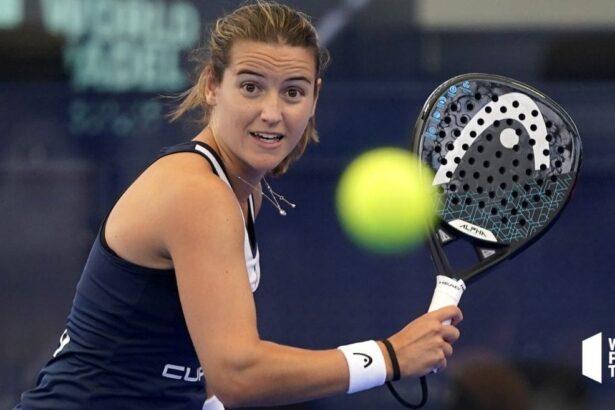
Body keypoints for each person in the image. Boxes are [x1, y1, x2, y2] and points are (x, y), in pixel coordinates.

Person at [15, 1, 462, 409]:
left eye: (292, 92)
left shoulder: (243, 194)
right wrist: (388, 357)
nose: (272, 112)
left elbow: (203, 378)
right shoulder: (198, 195)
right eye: (251, 87)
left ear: (315, 97)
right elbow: (237, 374)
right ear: (212, 84)